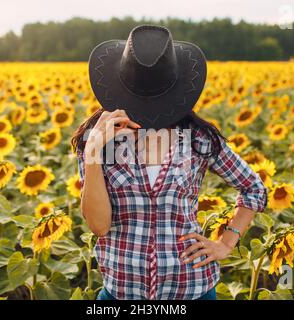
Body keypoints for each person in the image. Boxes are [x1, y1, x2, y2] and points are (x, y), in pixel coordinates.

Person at [71, 25, 268, 300]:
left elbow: (253, 188)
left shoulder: (197, 138)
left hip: (191, 289)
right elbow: (99, 226)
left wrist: (226, 242)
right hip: (122, 292)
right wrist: (93, 152)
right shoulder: (100, 139)